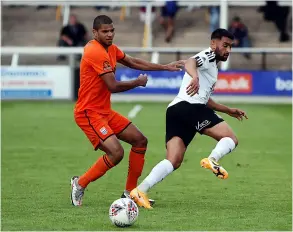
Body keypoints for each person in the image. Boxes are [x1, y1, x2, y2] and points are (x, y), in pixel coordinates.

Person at [70, 15, 184, 206]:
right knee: (116, 153)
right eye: (105, 31)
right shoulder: (94, 51)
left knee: (140, 141)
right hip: (88, 113)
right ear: (95, 32)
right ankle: (79, 184)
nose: (109, 34)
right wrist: (137, 83)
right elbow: (112, 86)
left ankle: (130, 193)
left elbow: (134, 62)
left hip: (104, 111)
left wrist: (165, 67)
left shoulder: (111, 49)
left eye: (112, 30)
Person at [130, 28, 248, 209]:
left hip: (176, 110)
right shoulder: (208, 55)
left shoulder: (212, 65)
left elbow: (205, 99)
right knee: (231, 138)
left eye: (230, 47)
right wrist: (195, 76)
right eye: (225, 45)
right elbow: (190, 62)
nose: (228, 50)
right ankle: (213, 159)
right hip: (190, 108)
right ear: (213, 44)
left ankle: (140, 190)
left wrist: (227, 110)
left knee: (173, 159)